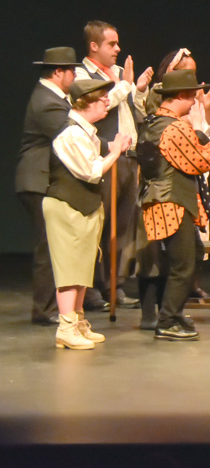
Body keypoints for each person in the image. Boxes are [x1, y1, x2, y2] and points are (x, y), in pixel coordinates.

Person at [137, 69, 210, 341]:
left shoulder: (152, 122)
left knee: (191, 256)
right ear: (181, 95)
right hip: (172, 202)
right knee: (184, 263)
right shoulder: (175, 127)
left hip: (162, 200)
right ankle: (167, 321)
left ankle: (173, 314)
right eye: (192, 97)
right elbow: (198, 162)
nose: (194, 102)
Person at [43, 78, 131, 349]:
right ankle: (66, 328)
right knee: (70, 269)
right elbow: (91, 172)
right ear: (85, 103)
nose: (107, 102)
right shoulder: (71, 134)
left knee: (82, 267)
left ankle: (78, 322)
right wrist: (115, 152)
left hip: (84, 206)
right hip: (67, 206)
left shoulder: (87, 133)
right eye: (102, 98)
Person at [76, 20, 153, 309]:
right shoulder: (82, 74)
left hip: (129, 157)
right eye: (112, 44)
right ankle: (90, 288)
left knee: (122, 226)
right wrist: (126, 85)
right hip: (104, 157)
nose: (118, 48)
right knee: (99, 224)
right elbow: (103, 104)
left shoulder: (121, 74)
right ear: (94, 45)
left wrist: (139, 90)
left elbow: (136, 111)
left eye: (118, 43)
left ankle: (114, 285)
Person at [15, 47, 81, 326]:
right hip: (38, 180)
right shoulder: (47, 101)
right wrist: (110, 147)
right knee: (48, 244)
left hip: (42, 179)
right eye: (72, 71)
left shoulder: (53, 97)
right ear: (58, 72)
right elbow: (70, 136)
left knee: (52, 243)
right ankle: (44, 309)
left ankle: (52, 306)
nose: (75, 76)